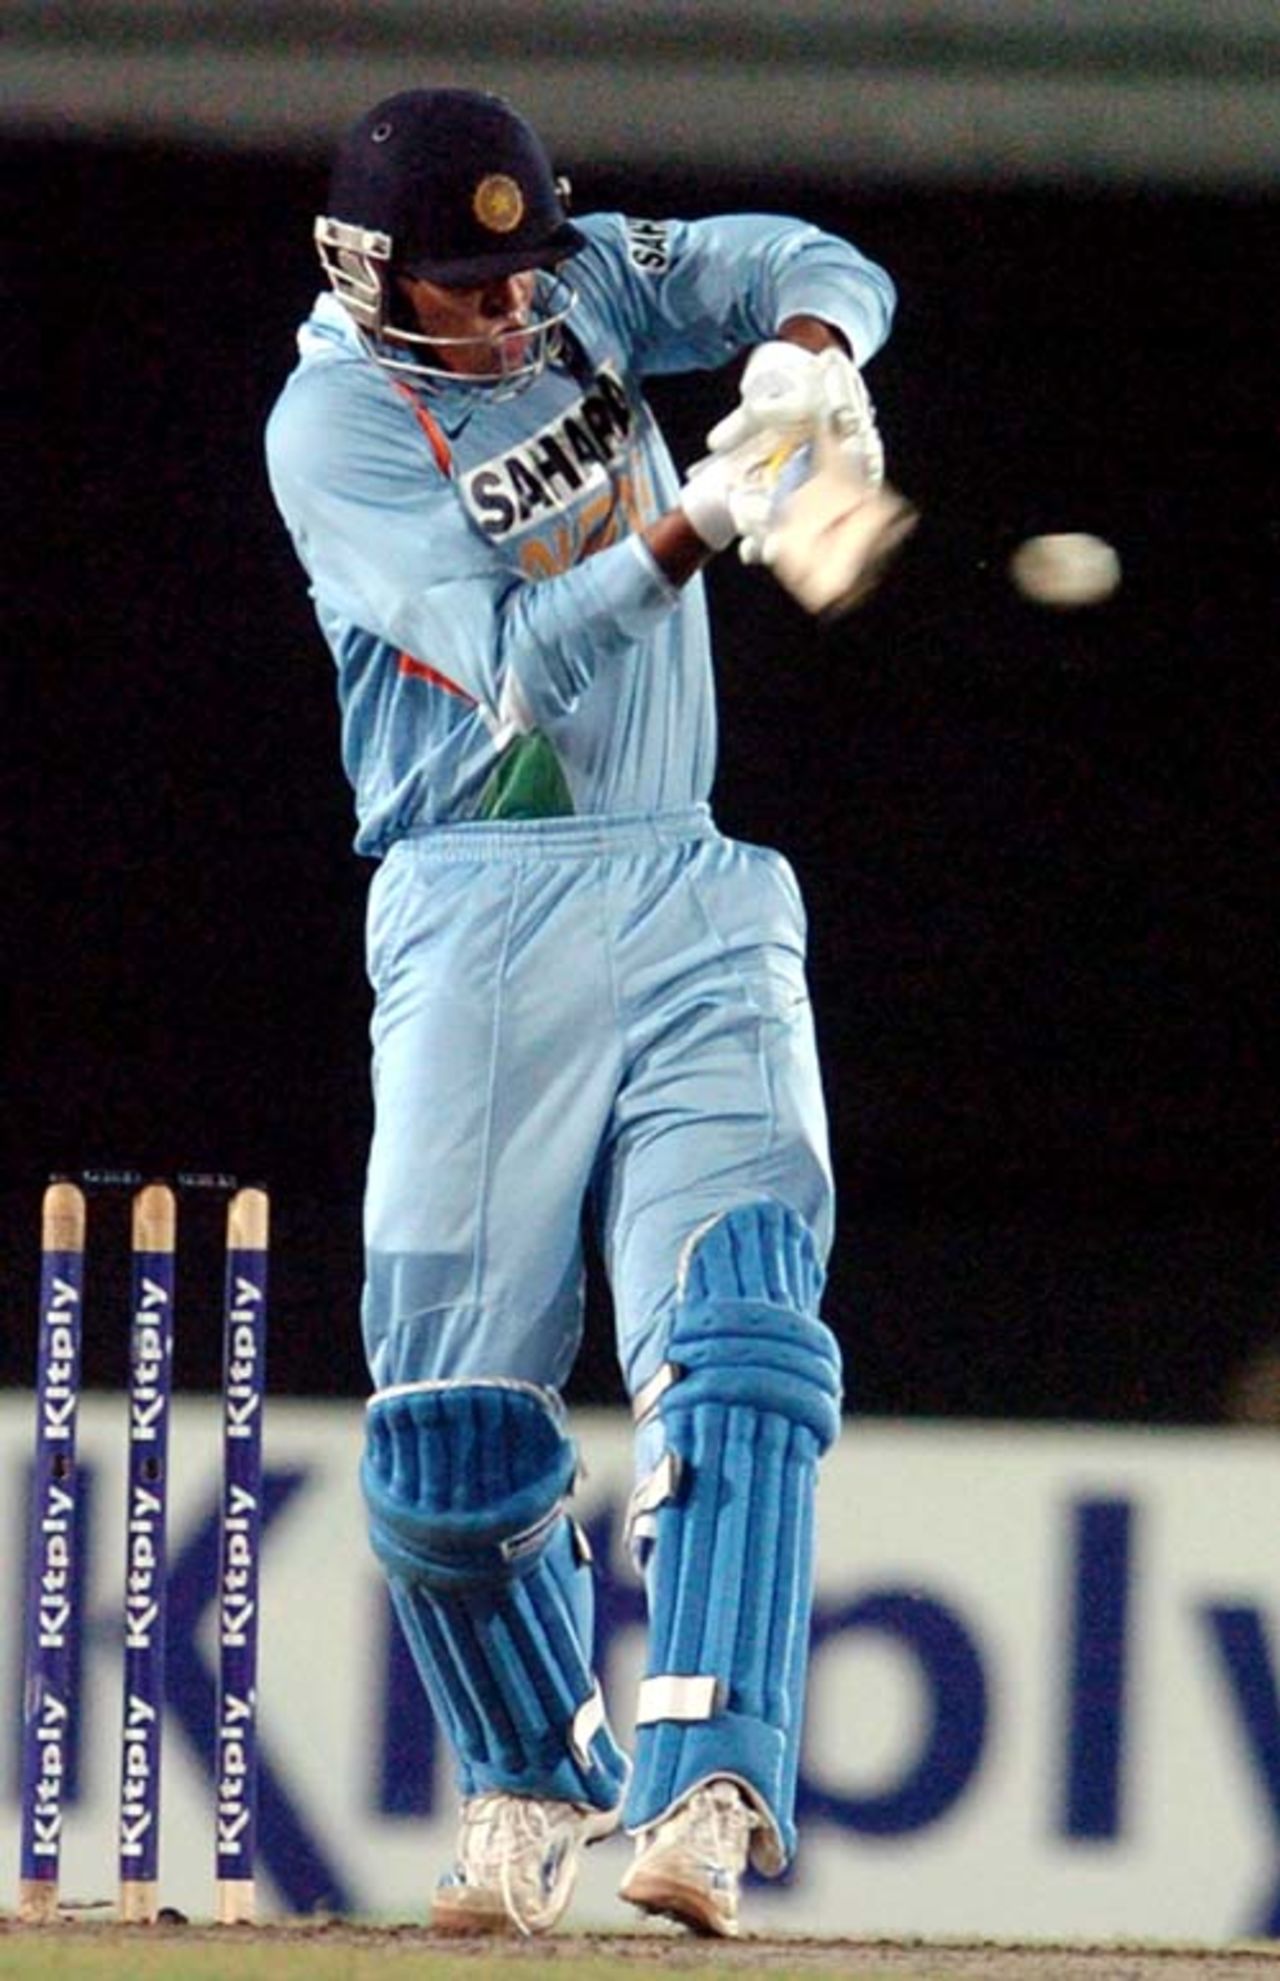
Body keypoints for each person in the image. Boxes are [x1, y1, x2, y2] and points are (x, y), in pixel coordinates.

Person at [265, 85, 908, 1939]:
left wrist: (804, 364)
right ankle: (532, 1786)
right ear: (372, 273)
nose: (511, 312)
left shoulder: (578, 287)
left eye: (523, 272)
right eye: (468, 288)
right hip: (475, 909)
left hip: (690, 879)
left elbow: (819, 257)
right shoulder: (336, 428)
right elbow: (525, 663)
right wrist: (709, 511)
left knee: (746, 1339)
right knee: (450, 1432)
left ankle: (711, 1784)